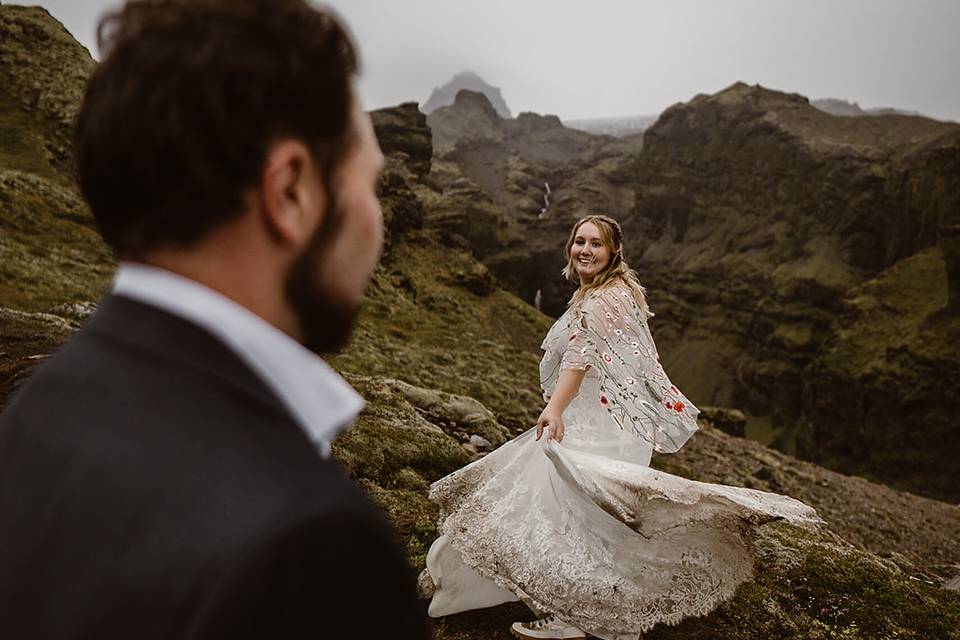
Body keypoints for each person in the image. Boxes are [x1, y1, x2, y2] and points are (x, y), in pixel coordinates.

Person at [0, 1, 429, 638]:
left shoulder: (33, 414)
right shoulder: (312, 547)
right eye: (368, 184)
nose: (376, 223)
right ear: (290, 192)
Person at [420, 214, 825, 640]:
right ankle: (553, 596)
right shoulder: (602, 292)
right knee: (570, 515)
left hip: (600, 427)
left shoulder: (602, 300)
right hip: (601, 417)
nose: (586, 251)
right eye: (580, 241)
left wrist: (555, 410)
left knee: (578, 518)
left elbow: (581, 355)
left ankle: (578, 617)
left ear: (613, 252)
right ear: (569, 247)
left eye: (597, 244)